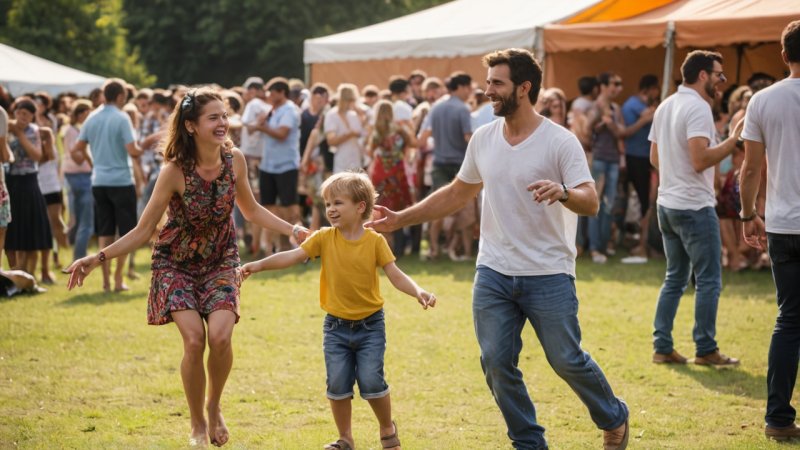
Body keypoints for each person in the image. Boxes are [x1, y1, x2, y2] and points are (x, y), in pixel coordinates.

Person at [367, 48, 629, 450]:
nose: (486, 90)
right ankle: (528, 442)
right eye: (487, 81)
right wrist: (400, 219)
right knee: (495, 363)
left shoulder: (560, 141)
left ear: (523, 88)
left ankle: (613, 416)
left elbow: (590, 201)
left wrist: (562, 192)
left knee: (565, 359)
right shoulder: (486, 138)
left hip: (548, 272)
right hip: (493, 270)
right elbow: (458, 193)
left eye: (496, 83)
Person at [67, 87, 309, 447]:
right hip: (175, 263)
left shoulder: (235, 160)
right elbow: (143, 230)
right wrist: (95, 257)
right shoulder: (174, 171)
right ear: (192, 126)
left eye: (225, 116)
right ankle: (197, 421)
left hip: (221, 260)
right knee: (195, 340)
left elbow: (252, 210)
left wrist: (293, 229)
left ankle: (214, 406)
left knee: (222, 336)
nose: (223, 123)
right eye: (214, 117)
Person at [241, 171, 435, 450]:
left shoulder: (375, 241)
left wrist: (418, 291)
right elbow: (293, 256)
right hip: (335, 327)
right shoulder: (323, 238)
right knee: (338, 384)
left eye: (338, 203)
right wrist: (257, 265)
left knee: (371, 380)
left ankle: (386, 427)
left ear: (360, 207)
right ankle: (345, 439)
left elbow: (395, 274)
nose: (330, 209)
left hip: (370, 326)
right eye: (328, 204)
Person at [649, 50, 743, 367]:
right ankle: (705, 349)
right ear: (703, 75)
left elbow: (654, 158)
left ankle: (662, 347)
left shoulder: (666, 105)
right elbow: (700, 159)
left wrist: (675, 176)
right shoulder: (699, 108)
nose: (722, 81)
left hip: (667, 204)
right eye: (719, 74)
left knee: (675, 278)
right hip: (692, 206)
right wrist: (734, 139)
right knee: (709, 280)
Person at [739, 19, 800, 442]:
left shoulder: (762, 100)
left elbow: (750, 168)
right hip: (783, 223)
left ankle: (777, 418)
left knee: (789, 319)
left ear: (783, 56)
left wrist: (747, 215)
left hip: (782, 224)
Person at [70, 78, 144, 293]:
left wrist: (94, 163)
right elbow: (133, 151)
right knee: (126, 232)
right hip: (121, 181)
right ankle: (118, 279)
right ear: (120, 96)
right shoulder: (122, 118)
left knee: (105, 231)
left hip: (99, 182)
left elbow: (77, 148)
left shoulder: (91, 117)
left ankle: (105, 281)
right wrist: (146, 145)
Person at [5, 99, 52, 278]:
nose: (21, 117)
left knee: (33, 226)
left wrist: (20, 135)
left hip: (30, 181)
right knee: (13, 228)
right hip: (11, 180)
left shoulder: (33, 131)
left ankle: (30, 272)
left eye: (26, 114)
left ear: (32, 115)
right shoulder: (6, 128)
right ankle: (13, 271)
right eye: (19, 112)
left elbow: (37, 155)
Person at [620, 75, 659, 262]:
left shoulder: (636, 105)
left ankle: (644, 242)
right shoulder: (633, 105)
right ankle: (642, 243)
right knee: (645, 201)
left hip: (643, 157)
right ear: (649, 89)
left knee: (645, 201)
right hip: (638, 157)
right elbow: (628, 130)